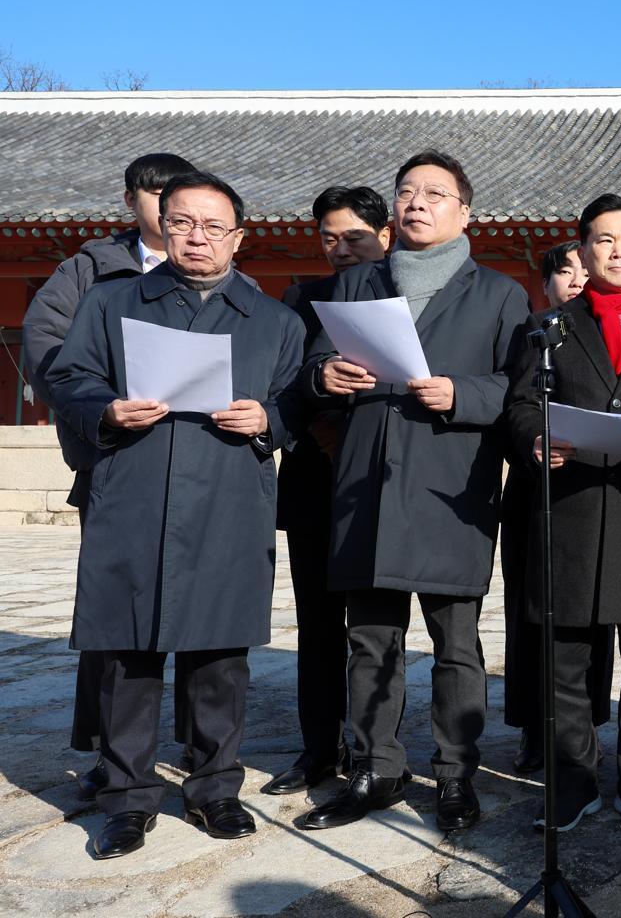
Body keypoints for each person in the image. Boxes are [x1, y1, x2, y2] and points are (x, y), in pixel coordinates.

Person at [46, 170, 305, 858]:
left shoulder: (274, 320)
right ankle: (127, 799)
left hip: (228, 498)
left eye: (214, 226)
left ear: (239, 239)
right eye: (183, 222)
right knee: (129, 652)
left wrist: (269, 418)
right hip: (135, 493)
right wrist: (106, 408)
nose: (197, 237)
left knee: (220, 655)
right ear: (161, 225)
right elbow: (68, 377)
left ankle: (215, 788)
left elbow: (300, 403)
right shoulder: (110, 303)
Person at [295, 150, 530, 833]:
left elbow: (516, 389)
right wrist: (325, 377)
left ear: (465, 212)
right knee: (370, 637)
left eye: (434, 193)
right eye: (407, 192)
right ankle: (377, 768)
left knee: (455, 640)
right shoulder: (358, 282)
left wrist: (464, 392)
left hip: (450, 480)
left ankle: (457, 773)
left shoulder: (499, 292)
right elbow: (312, 363)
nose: (417, 202)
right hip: (368, 475)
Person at [505, 193, 621, 832]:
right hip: (571, 512)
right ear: (582, 252)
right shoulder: (548, 329)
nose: (617, 250)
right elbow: (521, 406)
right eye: (604, 240)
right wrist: (534, 439)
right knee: (567, 664)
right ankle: (573, 779)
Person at [22, 152, 198, 799]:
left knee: (201, 614)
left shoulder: (210, 268)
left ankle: (203, 755)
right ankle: (109, 753)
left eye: (176, 197)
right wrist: (99, 416)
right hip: (119, 463)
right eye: (152, 197)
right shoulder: (91, 270)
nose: (166, 210)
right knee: (115, 619)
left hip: (198, 469)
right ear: (130, 202)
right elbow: (44, 344)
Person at [261, 185, 392, 795]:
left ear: (385, 236)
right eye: (329, 238)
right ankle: (318, 750)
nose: (340, 250)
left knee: (377, 631)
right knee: (317, 627)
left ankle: (375, 751)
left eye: (354, 237)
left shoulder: (405, 296)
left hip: (385, 488)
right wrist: (326, 430)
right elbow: (288, 385)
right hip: (318, 483)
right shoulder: (302, 300)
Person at [503, 239, 612, 777]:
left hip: (596, 495)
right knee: (533, 617)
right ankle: (532, 725)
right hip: (535, 493)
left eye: (579, 269)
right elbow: (516, 408)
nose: (573, 279)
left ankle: (584, 727)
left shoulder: (605, 333)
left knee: (593, 625)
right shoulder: (537, 334)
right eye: (561, 272)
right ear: (544, 284)